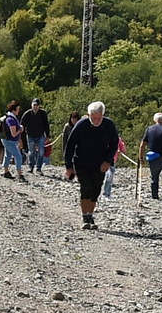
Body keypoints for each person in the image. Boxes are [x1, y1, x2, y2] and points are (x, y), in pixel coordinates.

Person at [59, 100, 123, 231]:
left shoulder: (109, 125)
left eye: (98, 118)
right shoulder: (81, 125)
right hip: (82, 162)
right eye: (93, 118)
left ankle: (90, 214)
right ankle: (85, 216)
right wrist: (68, 166)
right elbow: (70, 145)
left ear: (103, 115)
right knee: (86, 187)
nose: (96, 120)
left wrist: (107, 161)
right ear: (88, 115)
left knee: (96, 189)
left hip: (100, 164)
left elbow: (114, 144)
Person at [0, 101, 28, 182]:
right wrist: (20, 129)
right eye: (18, 109)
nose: (19, 110)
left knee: (7, 156)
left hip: (8, 141)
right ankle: (20, 175)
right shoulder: (11, 119)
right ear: (14, 110)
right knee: (18, 156)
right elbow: (14, 134)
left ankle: (6, 171)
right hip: (9, 141)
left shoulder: (11, 117)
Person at [23, 98, 52, 178]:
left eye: (37, 105)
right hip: (30, 135)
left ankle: (39, 168)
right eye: (34, 105)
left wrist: (48, 135)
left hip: (40, 135)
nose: (35, 107)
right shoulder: (27, 114)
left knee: (41, 151)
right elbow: (22, 125)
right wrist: (21, 138)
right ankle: (31, 166)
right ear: (31, 105)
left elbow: (46, 124)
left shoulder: (43, 114)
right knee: (31, 152)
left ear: (39, 106)